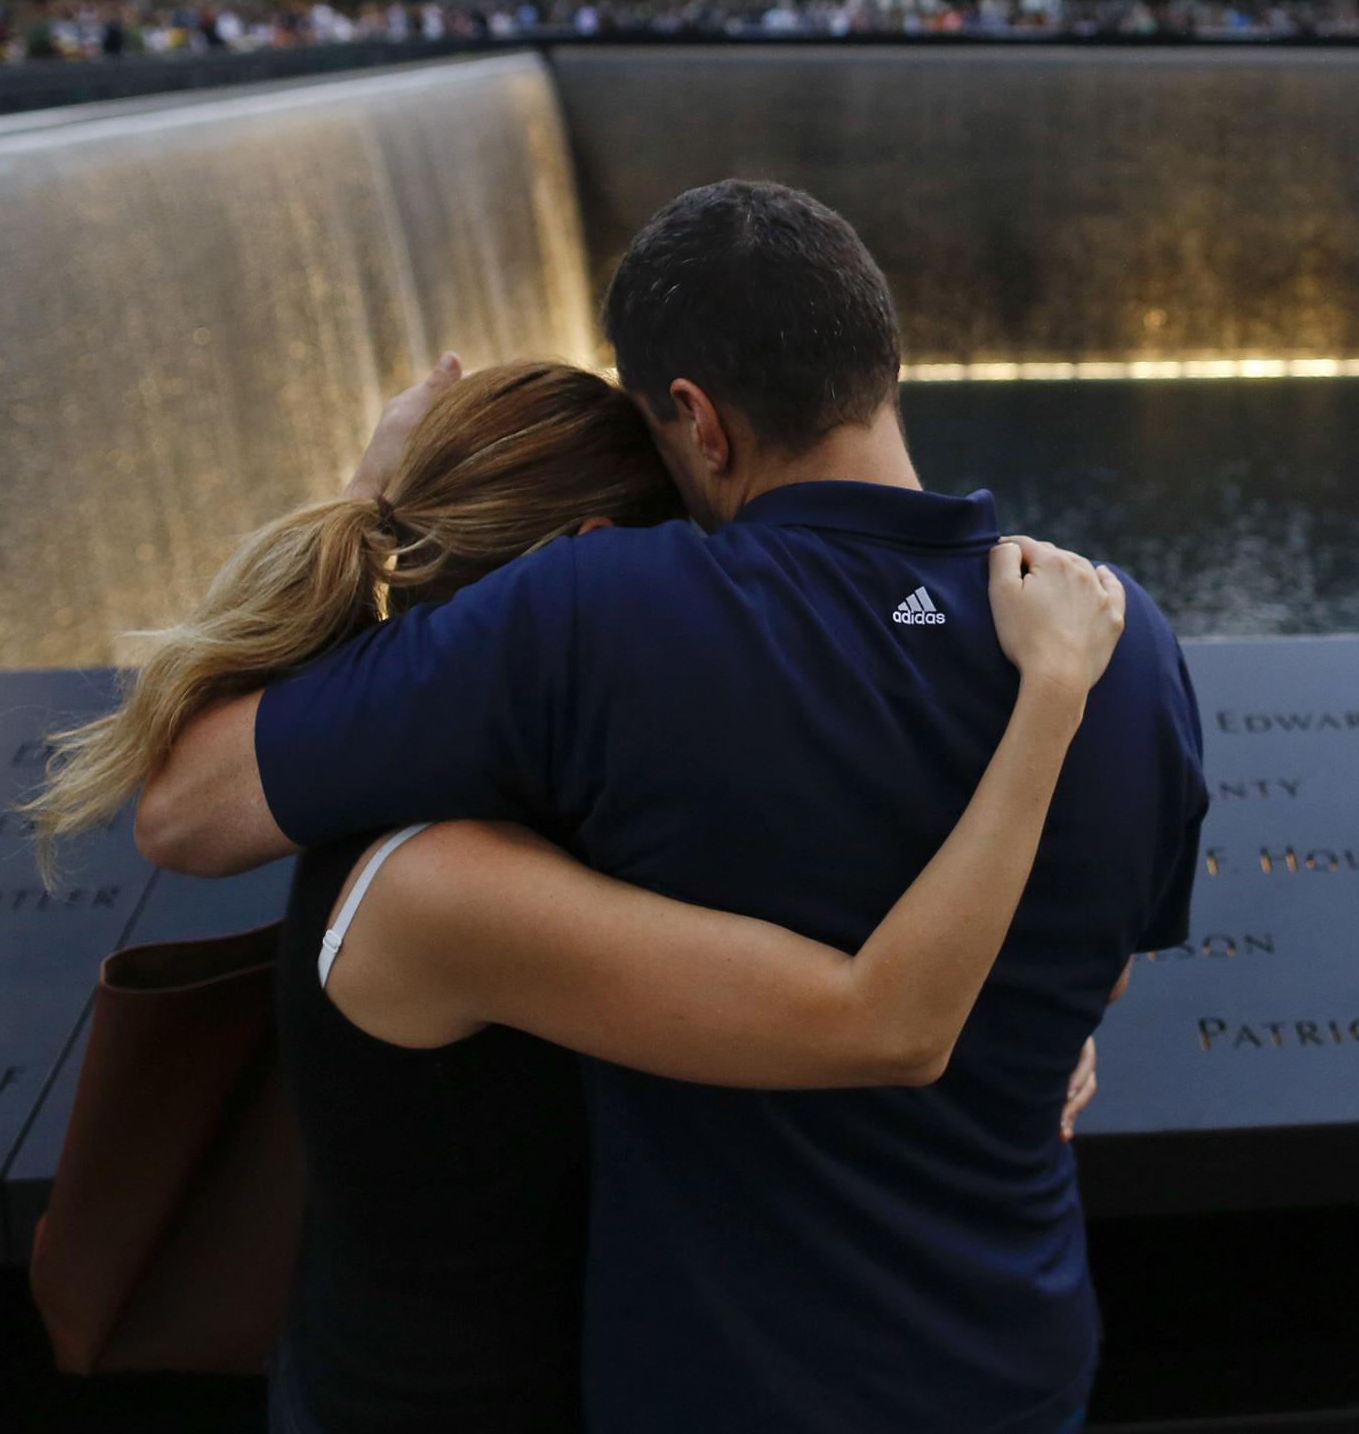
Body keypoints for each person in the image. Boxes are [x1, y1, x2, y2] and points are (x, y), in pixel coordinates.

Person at [137, 181, 1209, 1433]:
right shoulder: (1120, 641)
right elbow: (1102, 974)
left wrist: (370, 502)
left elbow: (190, 812)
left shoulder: (606, 617)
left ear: (697, 420)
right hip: (1020, 1360)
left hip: (724, 1388)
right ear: (883, 359)